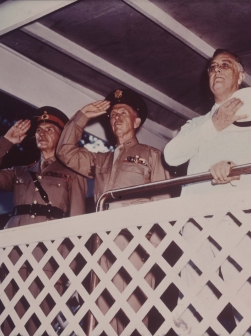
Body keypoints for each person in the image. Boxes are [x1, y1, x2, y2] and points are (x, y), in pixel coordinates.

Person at [163, 49, 251, 335]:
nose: (216, 70)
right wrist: (214, 126)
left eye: (225, 65)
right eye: (212, 67)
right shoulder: (196, 125)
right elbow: (171, 155)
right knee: (193, 306)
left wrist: (236, 172)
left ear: (240, 76)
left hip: (243, 220)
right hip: (196, 222)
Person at [56, 88, 170, 334]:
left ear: (136, 121)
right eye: (112, 114)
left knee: (133, 316)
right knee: (101, 315)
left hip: (134, 242)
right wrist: (81, 117)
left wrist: (153, 247)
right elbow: (64, 151)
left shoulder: (151, 155)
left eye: (123, 113)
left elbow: (163, 203)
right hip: (100, 242)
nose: (116, 117)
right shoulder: (101, 160)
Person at [0, 106, 88, 335]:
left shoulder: (73, 173)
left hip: (49, 257)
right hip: (14, 256)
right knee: (8, 320)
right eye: (39, 129)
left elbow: (77, 221)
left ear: (62, 137)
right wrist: (8, 140)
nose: (42, 133)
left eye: (49, 129)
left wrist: (72, 267)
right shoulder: (20, 173)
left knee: (39, 322)